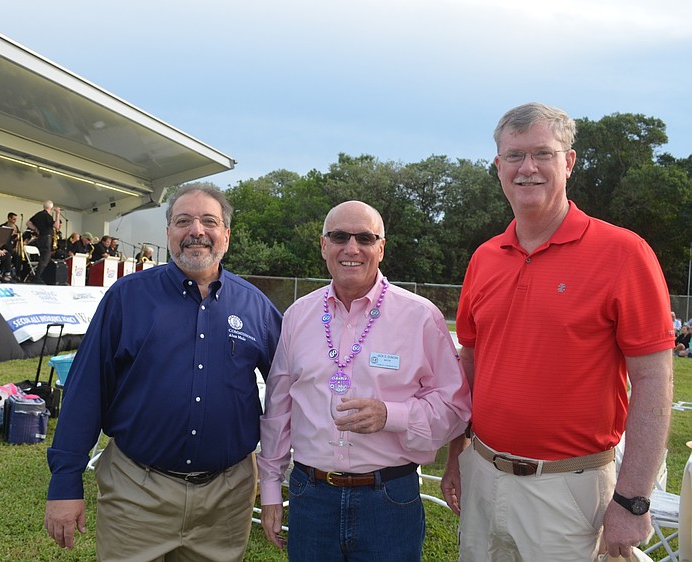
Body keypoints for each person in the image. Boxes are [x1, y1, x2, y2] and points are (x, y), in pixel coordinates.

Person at [441, 102, 675, 561]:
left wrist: (632, 499)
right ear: (498, 166)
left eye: (543, 154)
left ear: (568, 162)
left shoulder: (624, 253)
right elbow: (469, 365)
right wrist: (457, 455)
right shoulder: (485, 258)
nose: (527, 168)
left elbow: (654, 382)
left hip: (570, 490)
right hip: (483, 476)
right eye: (514, 156)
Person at [45, 184, 283, 560]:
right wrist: (64, 481)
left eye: (209, 221)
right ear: (168, 232)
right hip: (137, 491)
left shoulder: (256, 307)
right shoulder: (127, 298)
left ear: (227, 234)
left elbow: (291, 391)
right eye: (183, 221)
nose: (196, 231)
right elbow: (86, 390)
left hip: (226, 498)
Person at [258, 200, 471, 560]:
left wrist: (391, 416)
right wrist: (270, 490)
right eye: (339, 236)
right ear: (323, 245)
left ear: (381, 248)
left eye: (365, 238)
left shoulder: (420, 317)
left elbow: (456, 408)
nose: (351, 248)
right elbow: (279, 407)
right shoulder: (298, 316)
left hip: (388, 498)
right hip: (311, 496)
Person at [26, 200, 60, 283]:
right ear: (51, 207)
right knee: (45, 258)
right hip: (46, 237)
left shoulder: (39, 214)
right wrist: (58, 214)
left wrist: (36, 229)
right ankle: (38, 277)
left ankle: (39, 276)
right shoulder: (47, 216)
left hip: (40, 237)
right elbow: (56, 226)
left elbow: (28, 223)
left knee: (43, 257)